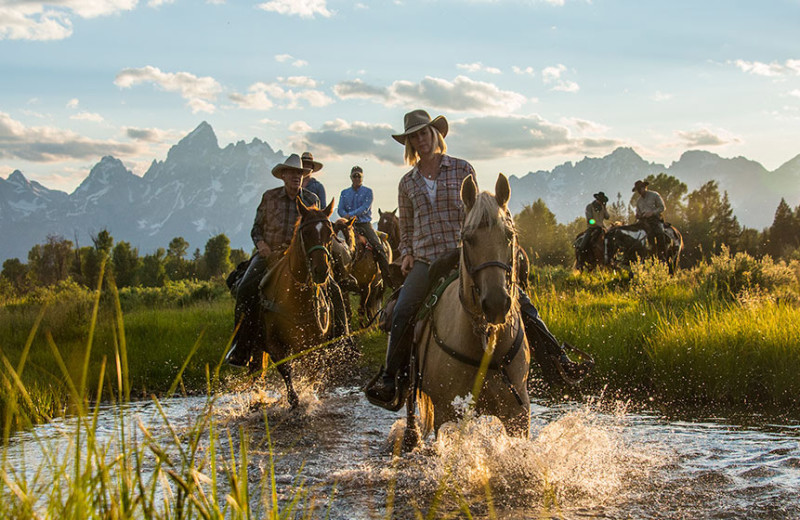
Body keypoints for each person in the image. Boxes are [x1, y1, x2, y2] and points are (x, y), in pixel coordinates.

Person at [365, 109, 591, 410]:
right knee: (403, 310)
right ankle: (392, 378)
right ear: (409, 143)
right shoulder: (407, 183)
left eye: (425, 133)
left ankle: (558, 359)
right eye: (414, 136)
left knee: (519, 301)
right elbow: (406, 227)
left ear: (436, 135)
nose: (421, 139)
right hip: (426, 259)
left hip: (464, 254)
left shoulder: (462, 169)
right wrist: (405, 253)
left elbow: (480, 213)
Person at [225, 153, 348, 369]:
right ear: (283, 175)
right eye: (291, 173)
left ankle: (341, 341)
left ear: (304, 176)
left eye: (299, 173)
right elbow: (256, 228)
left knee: (334, 289)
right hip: (269, 254)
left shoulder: (312, 200)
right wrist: (261, 244)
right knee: (246, 288)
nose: (296, 177)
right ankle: (241, 347)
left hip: (300, 257)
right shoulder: (269, 197)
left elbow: (317, 232)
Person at [337, 166, 398, 290]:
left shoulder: (368, 191)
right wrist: (345, 216)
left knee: (379, 247)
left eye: (359, 176)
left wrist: (351, 214)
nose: (357, 178)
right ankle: (337, 276)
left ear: (362, 177)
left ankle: (387, 278)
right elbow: (340, 208)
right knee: (336, 245)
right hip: (348, 225)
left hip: (364, 225)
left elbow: (365, 207)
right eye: (354, 175)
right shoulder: (344, 193)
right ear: (350, 177)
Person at [632, 179, 667, 259]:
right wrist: (638, 215)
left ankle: (662, 254)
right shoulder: (639, 201)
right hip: (643, 221)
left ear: (645, 187)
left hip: (655, 219)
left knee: (659, 233)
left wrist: (652, 213)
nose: (639, 191)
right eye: (638, 190)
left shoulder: (654, 195)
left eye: (640, 188)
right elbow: (638, 212)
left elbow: (662, 207)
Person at [577, 191, 610, 267]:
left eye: (603, 201)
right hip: (591, 229)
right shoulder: (589, 207)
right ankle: (580, 262)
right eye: (601, 201)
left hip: (601, 228)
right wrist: (595, 223)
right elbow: (589, 219)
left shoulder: (602, 207)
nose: (602, 202)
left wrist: (605, 208)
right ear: (597, 199)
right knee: (582, 245)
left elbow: (607, 217)